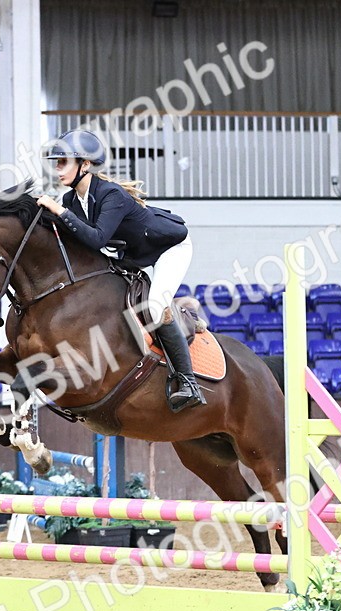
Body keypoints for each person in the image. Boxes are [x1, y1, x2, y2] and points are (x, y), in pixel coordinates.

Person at [36, 129, 205, 412]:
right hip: (133, 254)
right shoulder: (71, 201)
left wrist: (61, 213)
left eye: (64, 161)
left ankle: (188, 382)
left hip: (169, 248)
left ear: (85, 165)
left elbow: (97, 239)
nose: (57, 167)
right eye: (57, 161)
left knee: (153, 307)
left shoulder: (110, 194)